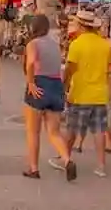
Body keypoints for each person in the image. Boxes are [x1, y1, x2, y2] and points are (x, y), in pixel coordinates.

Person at [22, 14, 76, 181]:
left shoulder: (33, 44)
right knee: (54, 132)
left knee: (33, 132)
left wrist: (30, 83)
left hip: (40, 84)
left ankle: (34, 168)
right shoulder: (55, 45)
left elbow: (30, 63)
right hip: (56, 85)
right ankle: (67, 160)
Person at [63, 9, 111, 178]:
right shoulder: (105, 44)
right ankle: (101, 165)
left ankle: (65, 158)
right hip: (100, 93)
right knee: (99, 131)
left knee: (72, 128)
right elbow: (109, 70)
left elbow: (70, 70)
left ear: (81, 25)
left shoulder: (76, 44)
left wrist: (64, 88)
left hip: (80, 93)